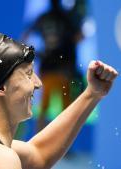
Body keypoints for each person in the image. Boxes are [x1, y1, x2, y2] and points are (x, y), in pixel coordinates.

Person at [0, 30, 118, 169]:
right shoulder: (0, 159)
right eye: (29, 75)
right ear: (1, 87)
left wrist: (92, 94)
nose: (38, 83)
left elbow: (39, 154)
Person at [22, 0, 85, 131]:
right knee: (66, 110)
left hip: (48, 68)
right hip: (63, 70)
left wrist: (34, 53)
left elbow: (25, 36)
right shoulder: (66, 18)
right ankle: (63, 146)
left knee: (44, 108)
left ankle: (39, 142)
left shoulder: (43, 18)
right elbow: (80, 36)